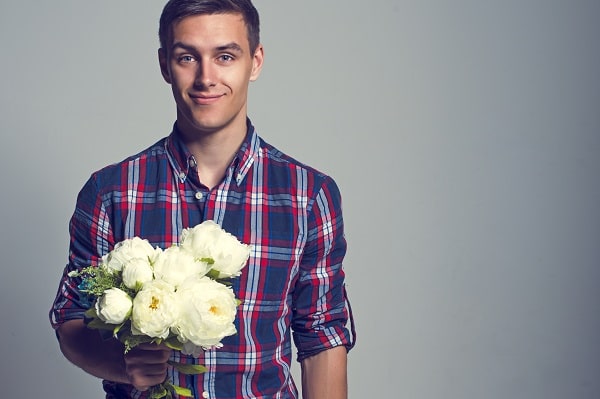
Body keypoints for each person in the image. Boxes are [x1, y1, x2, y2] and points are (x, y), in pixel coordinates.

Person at [50, 1, 355, 398]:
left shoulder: (308, 196)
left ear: (255, 61)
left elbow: (322, 336)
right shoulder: (111, 192)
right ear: (165, 65)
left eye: (225, 56)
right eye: (187, 57)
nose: (206, 77)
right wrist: (123, 364)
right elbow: (72, 318)